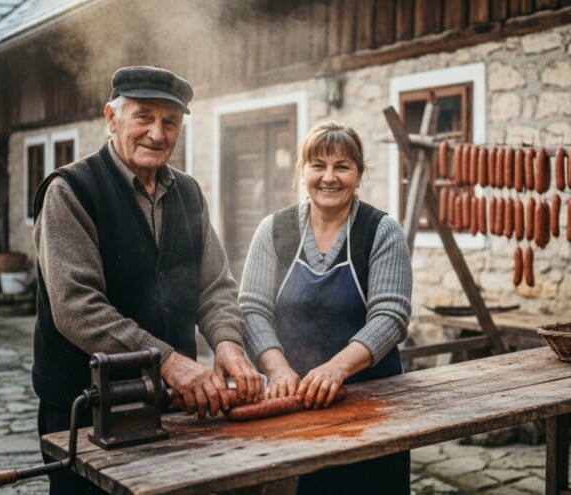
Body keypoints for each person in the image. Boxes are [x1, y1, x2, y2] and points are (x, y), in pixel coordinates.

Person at [32, 65, 263, 494]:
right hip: (86, 410)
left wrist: (228, 343)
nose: (157, 134)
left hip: (170, 407)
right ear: (111, 117)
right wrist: (171, 363)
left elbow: (214, 287)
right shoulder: (71, 192)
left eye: (170, 122)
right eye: (144, 117)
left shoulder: (188, 193)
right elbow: (77, 308)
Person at [239, 121, 413, 494]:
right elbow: (252, 309)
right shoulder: (274, 230)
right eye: (318, 165)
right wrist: (277, 367)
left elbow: (391, 316)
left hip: (371, 403)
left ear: (359, 175)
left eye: (342, 166)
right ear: (302, 172)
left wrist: (337, 368)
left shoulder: (381, 231)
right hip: (293, 401)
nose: (329, 177)